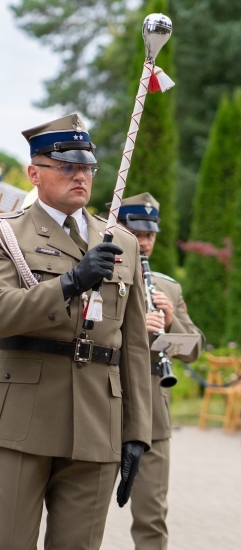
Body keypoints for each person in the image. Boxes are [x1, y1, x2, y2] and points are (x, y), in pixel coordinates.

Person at [0, 114, 153, 550]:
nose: (80, 176)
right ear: (35, 173)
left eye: (87, 167)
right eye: (67, 166)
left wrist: (136, 432)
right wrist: (69, 283)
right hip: (23, 416)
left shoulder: (120, 242)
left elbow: (135, 345)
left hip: (96, 422)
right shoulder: (1, 232)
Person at [117, 193, 204, 549]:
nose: (144, 241)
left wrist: (168, 325)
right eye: (136, 232)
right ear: (119, 229)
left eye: (150, 234)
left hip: (152, 409)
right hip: (103, 400)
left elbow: (194, 347)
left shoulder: (168, 286)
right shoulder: (97, 272)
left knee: (151, 516)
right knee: (78, 511)